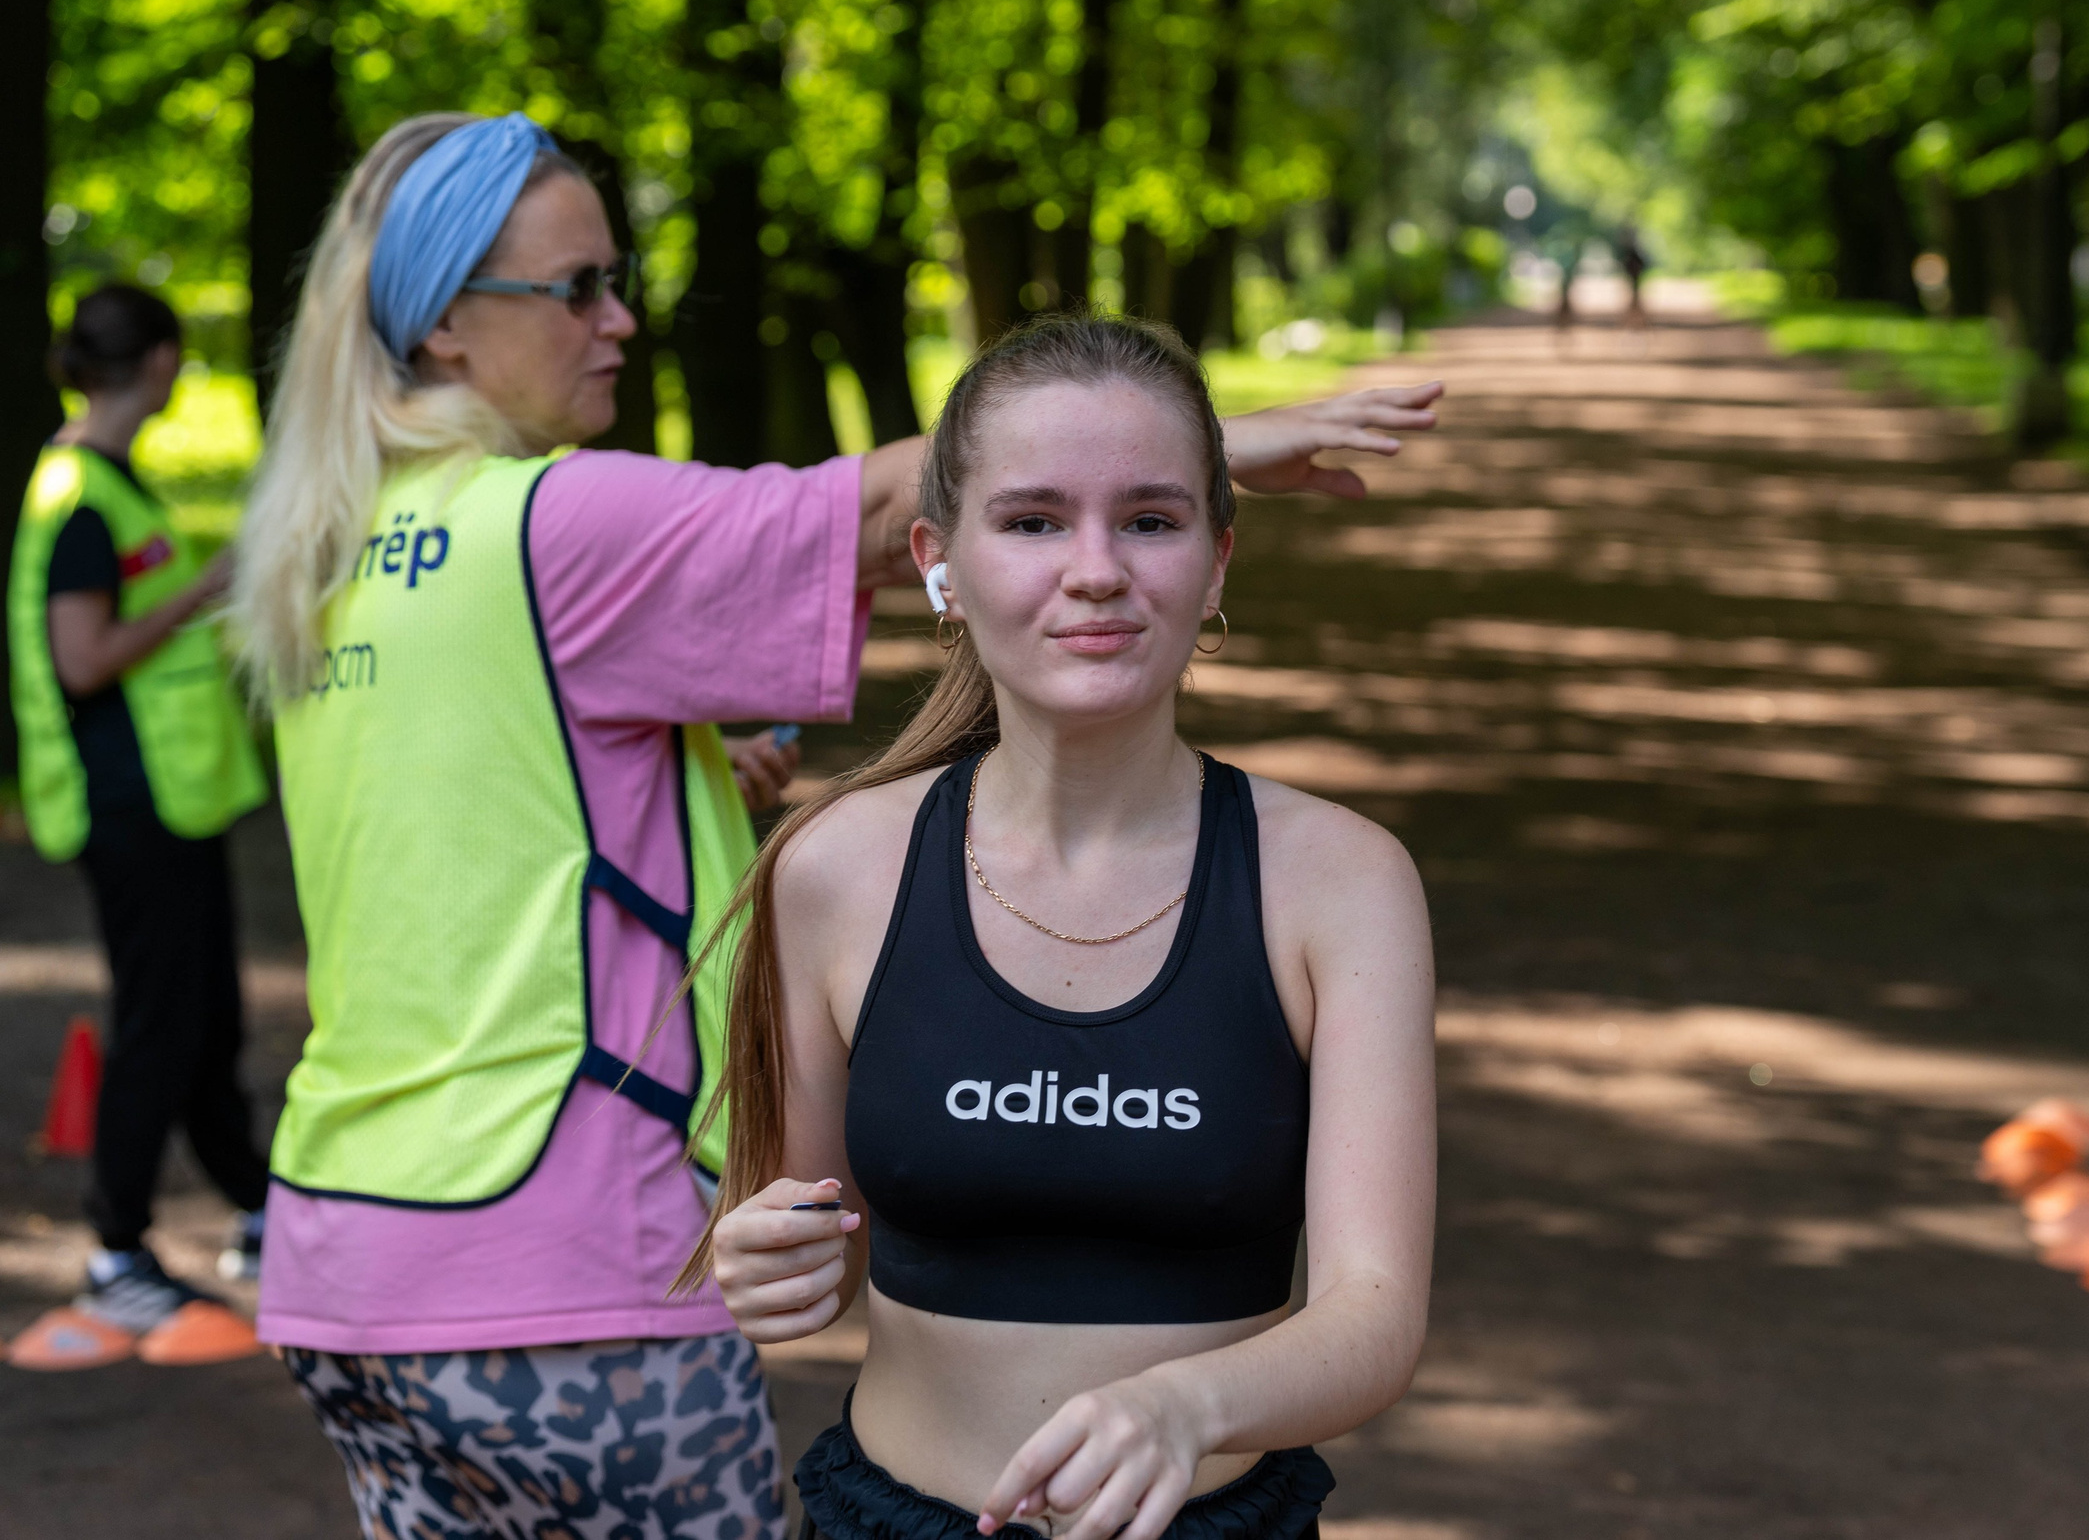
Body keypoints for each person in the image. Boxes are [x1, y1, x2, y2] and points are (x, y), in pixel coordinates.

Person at [230, 110, 1442, 1539]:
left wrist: (691, 777)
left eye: (1156, 519)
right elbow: (863, 509)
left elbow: (492, 814)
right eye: (577, 287)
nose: (620, 317)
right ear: (440, 325)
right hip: (559, 1240)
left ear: (1213, 549)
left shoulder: (332, 542)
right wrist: (1208, 444)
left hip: (343, 1248)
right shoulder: (556, 527)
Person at [700, 316, 1438, 1540]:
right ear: (941, 561)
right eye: (1033, 521)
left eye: (1149, 520)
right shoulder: (834, 867)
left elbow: (1374, 1317)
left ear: (1215, 562)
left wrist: (1184, 1407)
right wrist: (761, 1260)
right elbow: (806, 1239)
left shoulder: (1342, 881)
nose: (1094, 570)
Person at [3, 285, 272, 1373]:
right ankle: (116, 1247)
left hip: (171, 802)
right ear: (160, 362)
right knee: (164, 1023)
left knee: (204, 1018)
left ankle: (262, 1214)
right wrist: (205, 590)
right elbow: (84, 659)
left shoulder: (97, 484)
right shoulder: (80, 497)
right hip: (131, 807)